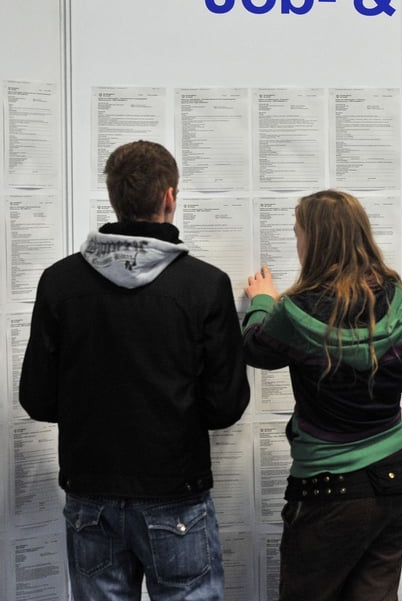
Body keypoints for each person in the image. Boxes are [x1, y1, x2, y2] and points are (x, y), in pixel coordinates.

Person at [19, 140, 251, 601]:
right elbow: (225, 407)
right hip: (176, 492)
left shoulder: (59, 281)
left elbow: (37, 398)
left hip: (90, 494)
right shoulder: (205, 285)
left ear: (113, 198)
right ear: (169, 197)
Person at [242, 189, 402, 601]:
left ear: (316, 241)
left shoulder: (293, 312)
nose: (297, 243)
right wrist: (380, 367)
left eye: (298, 233)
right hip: (398, 483)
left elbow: (254, 348)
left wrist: (263, 300)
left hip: (329, 492)